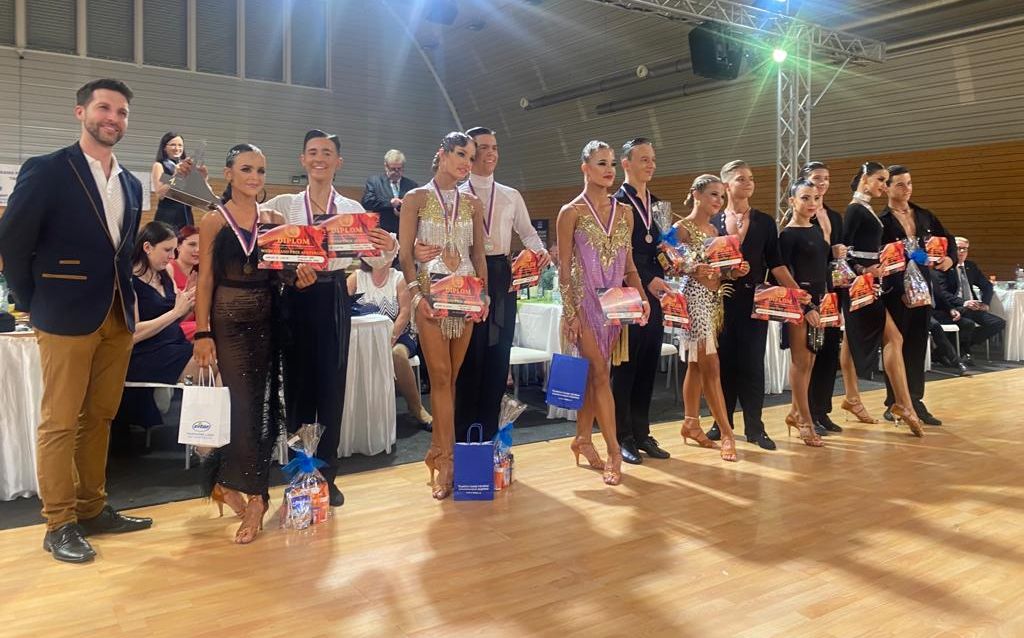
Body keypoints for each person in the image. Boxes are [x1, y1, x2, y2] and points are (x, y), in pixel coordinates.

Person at [0, 78, 150, 563]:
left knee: (100, 417)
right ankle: (59, 522)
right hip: (62, 314)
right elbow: (12, 241)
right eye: (104, 108)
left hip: (117, 315)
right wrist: (33, 302)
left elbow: (121, 253)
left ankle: (92, 508)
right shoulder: (47, 169)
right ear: (80, 112)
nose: (113, 118)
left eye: (122, 112)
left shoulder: (131, 183)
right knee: (60, 422)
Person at [262, 129, 398, 507]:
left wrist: (390, 245)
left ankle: (328, 476)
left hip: (334, 295)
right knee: (297, 390)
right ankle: (300, 473)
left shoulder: (353, 210)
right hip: (295, 295)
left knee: (331, 390)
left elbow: (375, 259)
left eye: (326, 152)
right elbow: (253, 228)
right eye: (312, 152)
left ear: (338, 161)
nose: (319, 158)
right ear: (303, 160)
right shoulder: (282, 204)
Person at [193, 144, 316, 544]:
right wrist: (202, 332)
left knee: (261, 407)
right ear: (228, 173)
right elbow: (205, 280)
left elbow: (283, 271)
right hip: (228, 321)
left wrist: (298, 276)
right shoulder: (214, 220)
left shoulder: (274, 220)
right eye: (246, 169)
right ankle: (253, 494)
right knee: (242, 407)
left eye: (261, 170)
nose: (254, 177)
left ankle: (239, 488)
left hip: (267, 319)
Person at [399, 132, 488, 500]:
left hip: (466, 296)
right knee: (438, 375)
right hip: (430, 296)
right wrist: (416, 294)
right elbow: (404, 254)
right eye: (461, 154)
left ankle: (439, 452)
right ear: (443, 154)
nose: (467, 162)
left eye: (471, 156)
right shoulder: (416, 198)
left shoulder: (473, 203)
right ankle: (446, 460)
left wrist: (484, 295)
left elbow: (478, 254)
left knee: (451, 379)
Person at [556, 140, 651, 484]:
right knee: (599, 374)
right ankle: (614, 450)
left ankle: (582, 439)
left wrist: (642, 297)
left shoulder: (624, 212)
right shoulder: (571, 212)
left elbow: (629, 266)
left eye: (611, 163)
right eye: (601, 163)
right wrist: (570, 313)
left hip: (615, 307)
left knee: (595, 376)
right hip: (584, 306)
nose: (609, 170)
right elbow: (564, 270)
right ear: (585, 168)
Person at [453, 126, 549, 442]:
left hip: (503, 275)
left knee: (498, 355)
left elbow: (528, 233)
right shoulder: (457, 194)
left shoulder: (510, 195)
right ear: (471, 153)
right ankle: (464, 438)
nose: (491, 152)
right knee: (469, 358)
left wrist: (540, 252)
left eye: (494, 147)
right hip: (467, 275)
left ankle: (491, 437)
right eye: (483, 147)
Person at [708, 160, 802, 450]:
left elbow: (776, 263)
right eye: (741, 178)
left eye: (750, 178)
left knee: (752, 364)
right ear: (726, 185)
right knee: (723, 363)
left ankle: (755, 426)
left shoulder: (764, 221)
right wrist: (726, 272)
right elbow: (704, 264)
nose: (748, 182)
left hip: (754, 301)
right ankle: (721, 423)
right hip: (720, 301)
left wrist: (796, 292)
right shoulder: (713, 222)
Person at [841, 162, 924, 437]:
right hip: (861, 285)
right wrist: (863, 270)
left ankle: (853, 397)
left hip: (868, 282)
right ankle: (903, 404)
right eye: (880, 180)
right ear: (865, 179)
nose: (883, 186)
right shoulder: (855, 209)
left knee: (850, 340)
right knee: (894, 339)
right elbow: (841, 251)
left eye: (886, 181)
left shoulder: (864, 208)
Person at [672, 175, 748, 462]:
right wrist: (690, 269)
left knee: (696, 365)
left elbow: (718, 270)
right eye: (713, 194)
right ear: (696, 194)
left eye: (721, 196)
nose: (718, 200)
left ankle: (691, 423)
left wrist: (733, 272)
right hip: (693, 299)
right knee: (712, 366)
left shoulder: (715, 229)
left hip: (714, 301)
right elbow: (667, 263)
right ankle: (727, 433)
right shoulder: (680, 228)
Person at [610, 138, 672, 464]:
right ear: (626, 164)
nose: (651, 165)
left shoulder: (659, 205)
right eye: (644, 159)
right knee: (626, 366)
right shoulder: (615, 204)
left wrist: (674, 260)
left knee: (648, 364)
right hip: (627, 292)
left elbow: (662, 247)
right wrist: (647, 279)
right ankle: (623, 436)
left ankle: (643, 432)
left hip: (656, 293)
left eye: (653, 159)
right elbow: (618, 253)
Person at [879, 165, 956, 426]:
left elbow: (948, 240)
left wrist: (949, 259)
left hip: (923, 288)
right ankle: (894, 401)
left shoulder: (924, 215)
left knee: (917, 344)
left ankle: (915, 399)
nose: (907, 189)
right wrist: (899, 290)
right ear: (887, 188)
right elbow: (882, 259)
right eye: (900, 184)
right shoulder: (882, 221)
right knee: (895, 346)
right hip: (896, 292)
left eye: (909, 183)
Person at [348, 259, 432, 428]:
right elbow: (342, 305)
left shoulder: (399, 278)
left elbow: (405, 313)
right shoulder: (356, 277)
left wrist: (387, 340)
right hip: (364, 336)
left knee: (397, 354)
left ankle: (416, 407)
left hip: (399, 334)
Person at [778, 180, 828, 447]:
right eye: (805, 198)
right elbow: (784, 274)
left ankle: (796, 413)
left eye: (816, 198)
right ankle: (805, 421)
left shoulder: (817, 230)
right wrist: (805, 306)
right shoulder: (787, 235)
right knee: (800, 361)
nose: (812, 203)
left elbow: (822, 269)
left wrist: (824, 303)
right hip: (798, 303)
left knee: (810, 360)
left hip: (818, 301)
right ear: (792, 201)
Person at [800, 161, 848, 436]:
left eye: (826, 178)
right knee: (811, 352)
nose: (822, 183)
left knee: (830, 350)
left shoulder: (835, 216)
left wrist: (840, 254)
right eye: (817, 178)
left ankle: (822, 410)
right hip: (811, 290)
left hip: (832, 287)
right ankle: (806, 411)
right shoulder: (800, 215)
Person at [126, 221, 201, 384]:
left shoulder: (164, 274)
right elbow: (133, 334)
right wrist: (175, 312)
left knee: (220, 357)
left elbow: (176, 319)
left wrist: (189, 303)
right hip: (148, 353)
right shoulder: (130, 282)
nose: (172, 256)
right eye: (167, 250)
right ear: (147, 247)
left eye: (174, 250)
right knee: (210, 362)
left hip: (176, 344)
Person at [939, 236, 1005, 364]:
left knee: (998, 323)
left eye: (965, 249)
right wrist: (963, 302)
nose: (962, 252)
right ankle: (964, 352)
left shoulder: (971, 266)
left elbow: (987, 286)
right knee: (967, 321)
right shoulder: (945, 267)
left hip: (972, 307)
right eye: (958, 248)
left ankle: (950, 349)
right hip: (953, 307)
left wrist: (985, 303)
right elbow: (942, 293)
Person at [151, 132, 205, 231]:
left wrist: (201, 178)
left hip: (186, 217)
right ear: (164, 147)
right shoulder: (159, 165)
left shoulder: (185, 167)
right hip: (167, 218)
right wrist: (176, 176)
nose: (177, 148)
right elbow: (160, 194)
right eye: (173, 145)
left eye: (180, 145)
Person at [362, 149, 419, 235]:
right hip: (381, 230)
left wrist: (404, 208)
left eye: (399, 169)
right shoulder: (375, 181)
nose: (396, 172)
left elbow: (417, 209)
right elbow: (367, 202)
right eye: (393, 169)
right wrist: (390, 203)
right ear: (386, 166)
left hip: (404, 231)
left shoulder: (412, 185)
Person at [929, 268, 973, 376]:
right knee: (936, 326)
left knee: (967, 324)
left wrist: (951, 309)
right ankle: (957, 362)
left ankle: (939, 354)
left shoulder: (932, 274)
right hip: (920, 312)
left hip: (936, 311)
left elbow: (941, 296)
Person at [168, 225, 199, 341]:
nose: (198, 250)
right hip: (172, 325)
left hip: (195, 324)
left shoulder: (200, 274)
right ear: (178, 246)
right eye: (192, 244)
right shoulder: (169, 268)